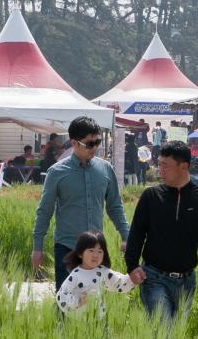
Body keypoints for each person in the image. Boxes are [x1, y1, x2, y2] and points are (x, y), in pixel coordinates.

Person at [125, 141, 198, 321]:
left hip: (187, 282)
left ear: (183, 166)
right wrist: (132, 265)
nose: (159, 170)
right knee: (165, 334)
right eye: (159, 164)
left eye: (165, 165)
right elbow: (137, 233)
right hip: (153, 277)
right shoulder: (151, 197)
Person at [31, 116, 129, 290]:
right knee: (66, 306)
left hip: (96, 251)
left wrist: (125, 235)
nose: (95, 147)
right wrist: (37, 248)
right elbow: (44, 212)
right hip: (67, 248)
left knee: (94, 308)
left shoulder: (106, 169)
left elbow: (115, 206)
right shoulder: (57, 172)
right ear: (74, 143)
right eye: (89, 144)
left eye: (97, 142)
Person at [55, 230, 135, 315]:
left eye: (100, 251)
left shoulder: (102, 271)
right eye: (91, 250)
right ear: (80, 253)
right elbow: (62, 295)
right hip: (79, 321)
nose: (95, 255)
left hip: (98, 320)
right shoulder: (75, 275)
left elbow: (117, 282)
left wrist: (132, 279)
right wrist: (78, 301)